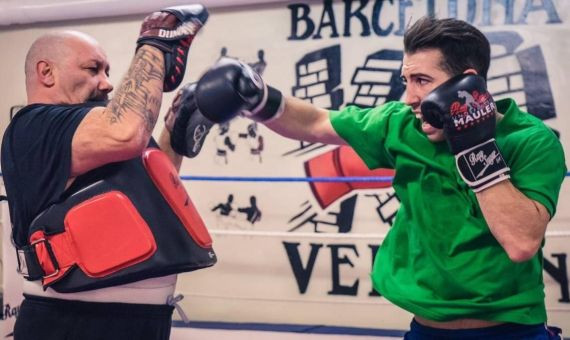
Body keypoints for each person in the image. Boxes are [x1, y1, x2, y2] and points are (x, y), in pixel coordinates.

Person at [184, 16, 566, 339]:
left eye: (421, 81)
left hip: (510, 330)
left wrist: (473, 142)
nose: (408, 98)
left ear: (467, 82)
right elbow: (317, 122)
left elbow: (520, 243)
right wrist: (259, 99)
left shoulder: (530, 141)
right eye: (406, 80)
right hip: (424, 329)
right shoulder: (400, 125)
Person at [1, 5, 216, 340]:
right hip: (73, 320)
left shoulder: (94, 134)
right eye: (93, 69)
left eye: (106, 70)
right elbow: (125, 133)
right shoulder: (34, 126)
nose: (107, 82)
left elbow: (149, 193)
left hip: (144, 318)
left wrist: (177, 131)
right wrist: (154, 44)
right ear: (46, 73)